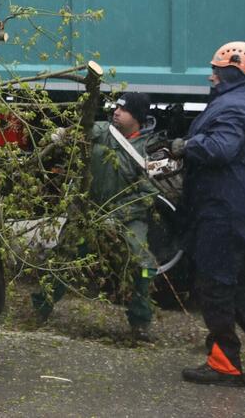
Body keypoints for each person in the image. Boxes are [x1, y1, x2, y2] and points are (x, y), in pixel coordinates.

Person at [170, 41, 245, 387]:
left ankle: (223, 362)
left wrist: (187, 146)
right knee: (241, 289)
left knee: (214, 287)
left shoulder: (231, 107)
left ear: (232, 71)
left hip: (224, 213)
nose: (211, 76)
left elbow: (220, 148)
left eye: (216, 70)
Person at [32, 91, 159, 342]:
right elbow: (82, 131)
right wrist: (64, 134)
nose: (116, 112)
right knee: (65, 256)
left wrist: (116, 215)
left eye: (124, 110)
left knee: (143, 264)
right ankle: (40, 308)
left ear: (137, 117)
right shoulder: (103, 131)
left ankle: (140, 322)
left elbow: (148, 195)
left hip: (127, 216)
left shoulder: (149, 149)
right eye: (116, 107)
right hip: (89, 212)